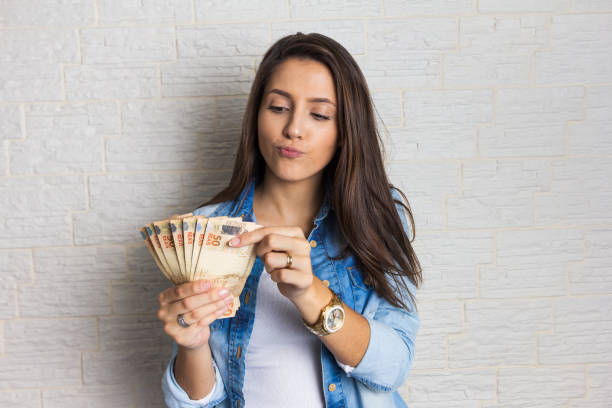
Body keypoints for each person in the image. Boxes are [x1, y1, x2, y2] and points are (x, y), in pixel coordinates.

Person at [156, 32, 423, 408]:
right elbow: (196, 404)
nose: (293, 129)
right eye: (278, 107)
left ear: (345, 130)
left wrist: (309, 293)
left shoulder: (376, 215)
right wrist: (193, 345)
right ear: (257, 115)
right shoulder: (206, 229)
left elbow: (392, 367)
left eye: (319, 114)